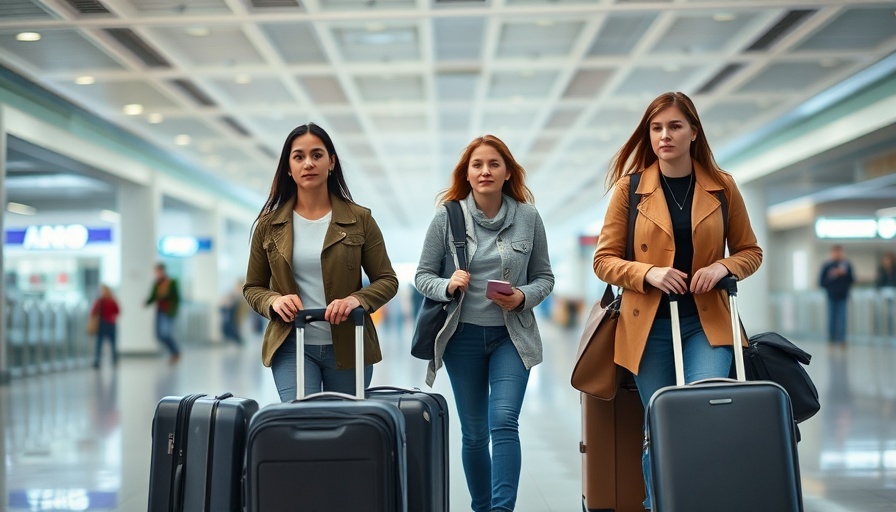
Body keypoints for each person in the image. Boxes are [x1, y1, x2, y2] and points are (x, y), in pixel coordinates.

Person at [592, 91, 763, 510]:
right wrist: (647, 272)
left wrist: (723, 267)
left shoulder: (722, 187)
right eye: (656, 128)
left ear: (693, 132)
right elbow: (604, 260)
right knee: (661, 424)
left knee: (704, 415)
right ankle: (659, 504)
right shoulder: (629, 190)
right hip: (647, 328)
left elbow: (750, 251)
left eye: (674, 126)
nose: (664, 136)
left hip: (707, 324)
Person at [415, 134, 555, 512]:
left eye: (494, 164)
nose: (485, 171)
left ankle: (501, 509)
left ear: (508, 172)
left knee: (504, 422)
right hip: (461, 338)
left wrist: (523, 296)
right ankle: (482, 507)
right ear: (467, 172)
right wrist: (448, 284)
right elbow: (423, 275)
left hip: (512, 338)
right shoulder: (448, 216)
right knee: (475, 434)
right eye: (477, 165)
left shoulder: (528, 217)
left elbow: (545, 277)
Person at [243, 123, 398, 403]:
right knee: (302, 424)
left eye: (317, 155)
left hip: (350, 345)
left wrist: (356, 300)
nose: (308, 163)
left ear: (331, 162)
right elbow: (253, 287)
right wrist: (273, 302)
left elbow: (387, 280)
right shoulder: (268, 226)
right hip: (291, 344)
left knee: (345, 432)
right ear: (288, 167)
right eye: (299, 156)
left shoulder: (360, 219)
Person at [145, 262, 182, 364]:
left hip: (168, 311)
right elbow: (153, 296)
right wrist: (146, 303)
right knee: (158, 335)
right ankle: (174, 352)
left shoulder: (171, 282)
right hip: (159, 311)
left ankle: (176, 352)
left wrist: (173, 309)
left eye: (158, 271)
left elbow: (177, 297)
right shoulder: (156, 283)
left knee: (165, 333)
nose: (156, 273)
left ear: (162, 271)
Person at [819, 244, 854, 346]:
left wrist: (844, 274)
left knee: (842, 318)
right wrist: (832, 275)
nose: (837, 254)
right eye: (835, 252)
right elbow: (821, 282)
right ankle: (831, 339)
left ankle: (842, 339)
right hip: (831, 296)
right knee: (831, 318)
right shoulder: (827, 266)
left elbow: (852, 279)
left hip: (843, 296)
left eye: (839, 252)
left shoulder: (847, 265)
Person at [91, 284, 120, 368]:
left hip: (111, 324)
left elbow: (117, 311)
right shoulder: (99, 301)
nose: (103, 292)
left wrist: (112, 317)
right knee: (99, 343)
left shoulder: (112, 301)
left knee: (113, 343)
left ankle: (114, 359)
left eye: (104, 290)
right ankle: (97, 360)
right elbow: (93, 312)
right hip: (101, 324)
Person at [876, 252, 896, 336]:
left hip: (893, 293)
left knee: (892, 313)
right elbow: (879, 283)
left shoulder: (894, 270)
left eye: (888, 260)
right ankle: (882, 330)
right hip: (883, 293)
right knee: (883, 313)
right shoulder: (881, 271)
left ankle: (892, 330)